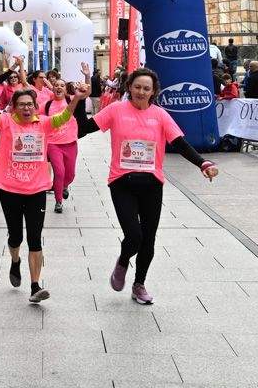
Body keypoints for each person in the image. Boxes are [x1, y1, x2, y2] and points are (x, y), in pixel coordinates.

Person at [76, 68, 219, 305]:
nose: (141, 92)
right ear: (129, 87)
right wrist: (80, 102)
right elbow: (82, 129)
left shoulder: (160, 115)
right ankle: (123, 261)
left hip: (152, 184)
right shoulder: (116, 110)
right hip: (122, 182)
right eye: (137, 87)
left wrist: (202, 163)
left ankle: (139, 284)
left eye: (146, 88)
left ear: (153, 92)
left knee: (148, 239)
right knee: (134, 235)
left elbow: (180, 144)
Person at [0, 85, 83, 304]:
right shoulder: (6, 122)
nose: (26, 108)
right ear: (14, 107)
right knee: (16, 237)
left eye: (30, 105)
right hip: (10, 189)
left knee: (35, 237)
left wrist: (77, 99)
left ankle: (35, 285)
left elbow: (63, 117)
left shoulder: (43, 123)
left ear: (35, 107)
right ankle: (15, 261)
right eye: (22, 105)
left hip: (37, 190)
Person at [43, 76, 83, 214]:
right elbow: (37, 119)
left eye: (62, 85)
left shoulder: (70, 100)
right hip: (53, 144)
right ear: (52, 88)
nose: (59, 87)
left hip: (70, 143)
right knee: (59, 172)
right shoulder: (47, 105)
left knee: (70, 174)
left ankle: (64, 186)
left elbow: (86, 93)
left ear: (66, 89)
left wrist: (87, 75)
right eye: (56, 85)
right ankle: (58, 201)